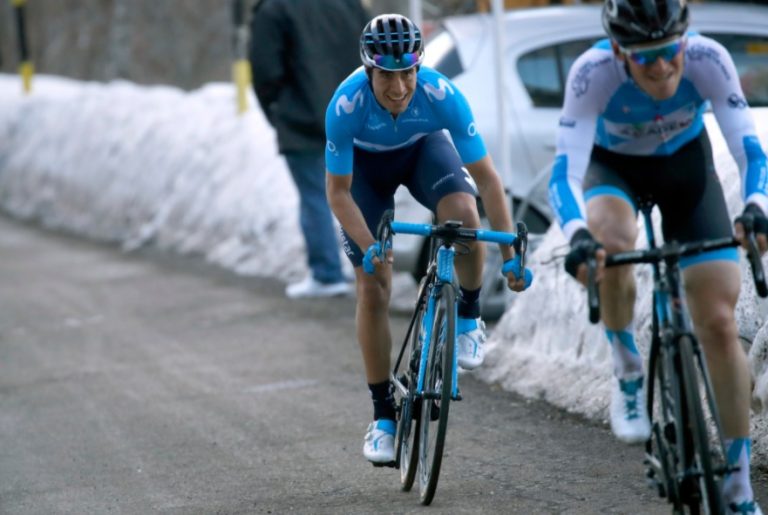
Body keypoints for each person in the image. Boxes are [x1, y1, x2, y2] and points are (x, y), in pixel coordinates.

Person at [548, 0, 768, 512]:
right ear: (620, 53)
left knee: (716, 321)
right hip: (614, 172)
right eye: (645, 57)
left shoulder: (710, 59)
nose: (663, 66)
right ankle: (626, 366)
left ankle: (737, 483)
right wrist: (579, 235)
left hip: (686, 173)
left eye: (671, 52)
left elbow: (750, 152)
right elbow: (564, 172)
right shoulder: (591, 73)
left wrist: (756, 207)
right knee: (613, 242)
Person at [325, 13, 531, 465]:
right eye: (387, 76)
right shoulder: (345, 105)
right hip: (365, 174)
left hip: (423, 152)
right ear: (369, 71)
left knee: (462, 215)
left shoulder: (442, 95)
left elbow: (490, 182)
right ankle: (382, 416)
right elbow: (338, 194)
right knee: (373, 285)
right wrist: (371, 245)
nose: (398, 88)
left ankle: (468, 315)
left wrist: (510, 253)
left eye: (407, 73)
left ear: (418, 67)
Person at [249, 0, 369, 299]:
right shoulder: (348, 4)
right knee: (362, 194)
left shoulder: (274, 10)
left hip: (301, 118)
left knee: (316, 196)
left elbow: (265, 69)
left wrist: (277, 111)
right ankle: (371, 267)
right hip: (352, 112)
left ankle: (326, 273)